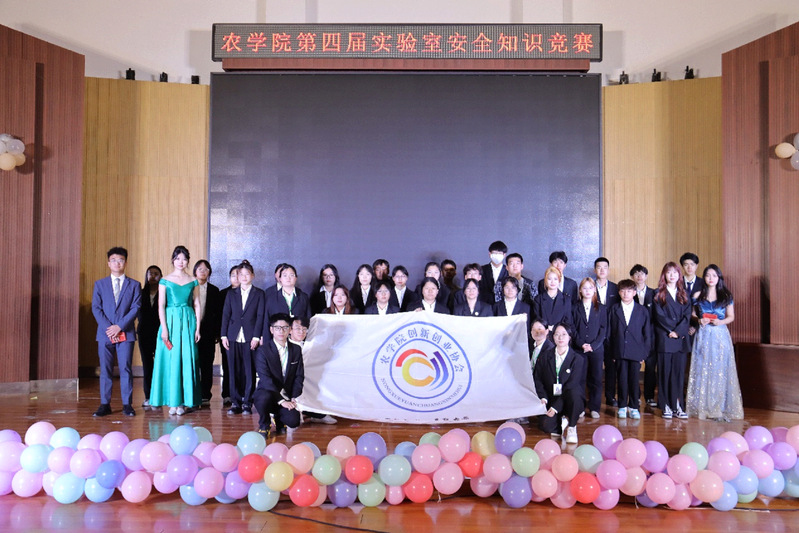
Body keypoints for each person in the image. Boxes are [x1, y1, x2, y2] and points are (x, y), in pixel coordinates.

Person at [686, 265, 744, 421]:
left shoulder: (726, 295)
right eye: (707, 275)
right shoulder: (698, 294)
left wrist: (721, 322)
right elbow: (692, 313)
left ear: (719, 278)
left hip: (720, 334)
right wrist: (699, 319)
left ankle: (719, 406)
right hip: (704, 334)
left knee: (719, 368)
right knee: (702, 367)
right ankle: (701, 406)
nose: (710, 278)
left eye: (714, 275)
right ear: (704, 278)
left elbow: (731, 316)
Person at [150, 245, 202, 416]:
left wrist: (198, 328)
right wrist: (164, 329)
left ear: (188, 261)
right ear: (173, 260)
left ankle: (184, 402)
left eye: (184, 259)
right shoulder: (165, 280)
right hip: (170, 321)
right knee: (171, 361)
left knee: (186, 360)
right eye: (178, 258)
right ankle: (173, 402)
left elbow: (197, 304)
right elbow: (161, 305)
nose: (181, 262)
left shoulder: (193, 280)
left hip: (188, 321)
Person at [91, 247, 142, 417]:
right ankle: (105, 404)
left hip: (125, 333)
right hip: (105, 333)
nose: (117, 263)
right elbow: (96, 308)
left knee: (125, 368)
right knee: (105, 369)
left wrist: (119, 326)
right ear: (108, 263)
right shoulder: (100, 284)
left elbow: (135, 308)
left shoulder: (134, 285)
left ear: (125, 263)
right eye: (113, 260)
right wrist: (109, 328)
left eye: (120, 260)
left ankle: (127, 404)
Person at [220, 260, 265, 416]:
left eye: (247, 274)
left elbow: (260, 316)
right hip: (232, 336)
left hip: (250, 337)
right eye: (241, 274)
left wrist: (257, 336)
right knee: (233, 370)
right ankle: (235, 402)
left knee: (249, 370)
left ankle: (247, 402)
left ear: (252, 276)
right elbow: (226, 315)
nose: (244, 277)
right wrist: (223, 335)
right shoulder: (231, 294)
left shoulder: (259, 294)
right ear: (237, 277)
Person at [253, 313, 305, 437]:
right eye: (277, 328)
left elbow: (299, 376)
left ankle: (279, 419)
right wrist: (281, 401)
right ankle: (264, 424)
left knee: (294, 421)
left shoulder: (296, 350)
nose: (281, 331)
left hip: (286, 394)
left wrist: (294, 397)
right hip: (268, 392)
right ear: (271, 330)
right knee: (263, 398)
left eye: (285, 327)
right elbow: (265, 379)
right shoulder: (263, 351)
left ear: (290, 330)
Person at [652, 262, 692, 419]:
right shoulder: (658, 294)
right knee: (665, 373)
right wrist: (671, 330)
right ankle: (666, 406)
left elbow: (687, 316)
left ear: (679, 275)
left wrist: (678, 331)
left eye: (675, 272)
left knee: (678, 374)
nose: (672, 275)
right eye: (669, 272)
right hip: (665, 338)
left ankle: (678, 405)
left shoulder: (684, 294)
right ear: (664, 275)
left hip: (680, 339)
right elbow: (659, 316)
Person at [533, 322, 584, 444]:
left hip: (569, 399)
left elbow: (571, 384)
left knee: (575, 393)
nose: (560, 337)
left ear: (569, 337)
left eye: (564, 334)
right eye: (557, 334)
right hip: (551, 398)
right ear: (552, 337)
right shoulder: (544, 356)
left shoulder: (577, 359)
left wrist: (556, 407)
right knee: (546, 426)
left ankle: (572, 426)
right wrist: (543, 397)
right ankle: (562, 421)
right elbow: (537, 379)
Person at [609, 279, 651, 419]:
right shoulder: (614, 309)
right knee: (621, 379)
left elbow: (647, 334)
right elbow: (609, 333)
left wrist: (644, 354)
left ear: (634, 292)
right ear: (619, 292)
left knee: (634, 380)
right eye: (622, 291)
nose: (625, 294)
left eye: (629, 291)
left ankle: (634, 407)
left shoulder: (642, 310)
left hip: (636, 351)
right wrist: (612, 352)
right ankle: (622, 406)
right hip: (619, 350)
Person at [289, 316, 338, 425]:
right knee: (293, 421)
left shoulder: (309, 346)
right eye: (298, 329)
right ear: (290, 330)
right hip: (291, 389)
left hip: (310, 385)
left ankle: (316, 414)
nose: (301, 332)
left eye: (304, 329)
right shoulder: (286, 347)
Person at [571, 277, 607, 419]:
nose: (587, 291)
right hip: (579, 349)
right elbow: (572, 328)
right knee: (579, 379)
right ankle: (580, 407)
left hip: (596, 349)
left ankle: (594, 407)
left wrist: (593, 345)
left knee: (596, 379)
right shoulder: (574, 307)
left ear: (594, 290)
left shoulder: (601, 308)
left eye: (590, 288)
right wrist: (581, 344)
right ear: (580, 290)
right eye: (584, 288)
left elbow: (603, 329)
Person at [194, 259, 221, 407]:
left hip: (208, 333)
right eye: (200, 269)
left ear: (209, 272)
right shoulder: (189, 288)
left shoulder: (214, 291)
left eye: (206, 269)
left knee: (206, 364)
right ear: (195, 272)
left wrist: (216, 333)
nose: (203, 272)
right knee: (192, 363)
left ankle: (205, 395)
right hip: (191, 332)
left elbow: (217, 314)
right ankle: (192, 394)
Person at [630, 264, 658, 409]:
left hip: (651, 336)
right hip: (634, 336)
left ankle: (649, 396)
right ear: (632, 277)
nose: (639, 276)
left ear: (646, 276)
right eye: (636, 274)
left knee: (651, 367)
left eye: (642, 273)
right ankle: (635, 396)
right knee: (634, 368)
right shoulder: (629, 293)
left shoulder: (654, 293)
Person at [137, 265, 161, 410]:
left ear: (161, 276)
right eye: (150, 273)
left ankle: (159, 396)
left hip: (160, 333)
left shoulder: (164, 292)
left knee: (159, 365)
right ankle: (148, 396)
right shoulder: (140, 292)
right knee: (147, 365)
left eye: (156, 273)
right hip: (144, 333)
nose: (152, 276)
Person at [264, 264, 310, 335]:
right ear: (280, 278)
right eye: (285, 275)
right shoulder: (271, 298)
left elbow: (308, 319)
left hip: (298, 337)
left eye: (291, 275)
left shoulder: (303, 297)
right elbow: (266, 321)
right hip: (278, 336)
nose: (288, 278)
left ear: (296, 278)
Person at [219, 265, 240, 407]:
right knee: (227, 365)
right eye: (233, 275)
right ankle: (227, 394)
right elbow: (221, 317)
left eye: (239, 274)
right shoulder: (223, 294)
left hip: (245, 336)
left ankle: (242, 394)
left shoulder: (251, 293)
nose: (236, 278)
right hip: (227, 335)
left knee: (243, 366)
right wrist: (222, 334)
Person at [532, 266, 573, 332]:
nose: (552, 282)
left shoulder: (566, 300)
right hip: (543, 333)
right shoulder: (538, 299)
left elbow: (568, 322)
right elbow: (536, 320)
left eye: (555, 279)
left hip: (560, 334)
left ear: (559, 280)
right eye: (549, 279)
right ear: (545, 281)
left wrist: (555, 328)